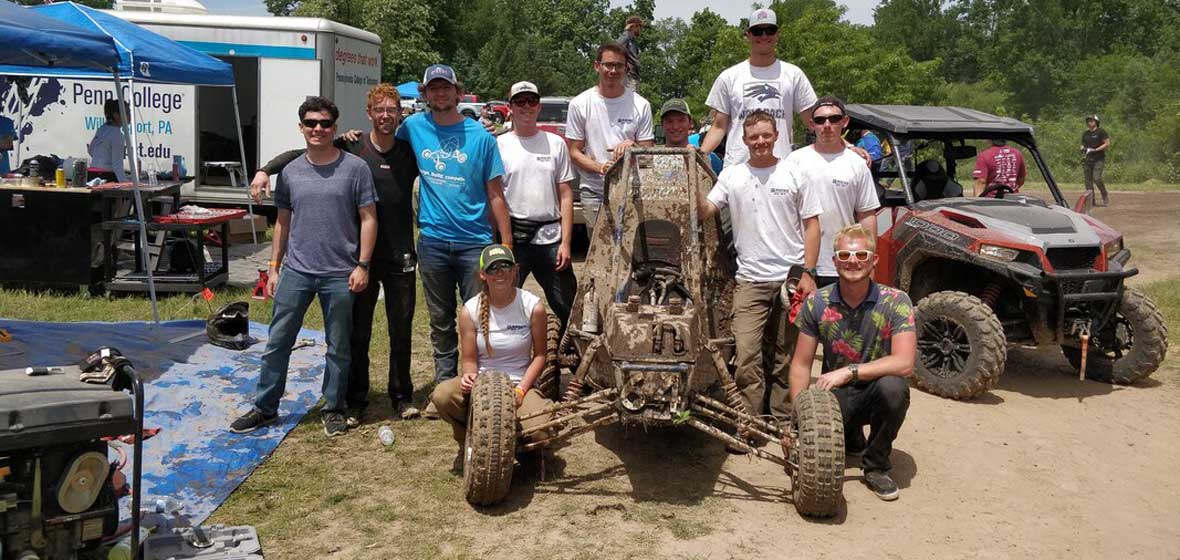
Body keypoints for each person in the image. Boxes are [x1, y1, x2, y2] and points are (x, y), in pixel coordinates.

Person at [249, 84, 421, 424]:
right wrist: (265, 169)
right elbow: (301, 154)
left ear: (400, 114)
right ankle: (354, 398)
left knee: (400, 330)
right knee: (356, 333)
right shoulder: (352, 145)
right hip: (358, 256)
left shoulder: (409, 151)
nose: (386, 115)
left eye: (392, 110)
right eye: (380, 109)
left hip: (398, 251)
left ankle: (401, 396)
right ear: (369, 113)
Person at [230, 96, 378, 437]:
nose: (318, 129)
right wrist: (274, 267)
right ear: (301, 128)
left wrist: (363, 265)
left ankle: (334, 408)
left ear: (334, 129)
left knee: (339, 346)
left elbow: (369, 218)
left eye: (324, 124)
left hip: (340, 273)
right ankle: (265, 408)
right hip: (296, 271)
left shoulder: (355, 169)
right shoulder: (292, 172)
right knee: (278, 341)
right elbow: (282, 223)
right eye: (311, 123)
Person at [697, 110, 822, 426]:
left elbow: (812, 226)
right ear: (744, 140)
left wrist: (808, 273)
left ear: (777, 136)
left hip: (790, 279)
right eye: (754, 137)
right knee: (747, 354)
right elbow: (707, 209)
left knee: (784, 355)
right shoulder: (733, 176)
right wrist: (689, 181)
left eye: (766, 135)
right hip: (750, 280)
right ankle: (749, 422)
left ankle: (781, 422)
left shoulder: (794, 174)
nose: (761, 142)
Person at [397, 64, 512, 390]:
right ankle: (447, 384)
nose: (440, 93)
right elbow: (384, 147)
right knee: (440, 319)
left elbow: (496, 195)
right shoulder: (413, 127)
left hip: (474, 242)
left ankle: (481, 383)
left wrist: (506, 245)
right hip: (432, 241)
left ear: (458, 92)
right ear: (425, 94)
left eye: (445, 87)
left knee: (479, 316)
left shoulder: (481, 138)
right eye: (433, 88)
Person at [788, 224, 915, 501]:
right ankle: (850, 435)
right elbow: (800, 365)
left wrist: (850, 371)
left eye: (861, 255)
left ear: (874, 260)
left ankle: (876, 466)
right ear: (834, 262)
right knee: (817, 447)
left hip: (874, 389)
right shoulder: (817, 302)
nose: (853, 262)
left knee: (894, 388)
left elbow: (905, 363)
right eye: (844, 256)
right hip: (835, 396)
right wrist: (799, 422)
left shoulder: (896, 301)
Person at [430, 244, 555, 468]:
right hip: (483, 384)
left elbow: (540, 356)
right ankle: (467, 442)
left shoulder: (532, 306)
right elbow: (469, 360)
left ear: (515, 270)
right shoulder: (470, 309)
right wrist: (469, 377)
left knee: (542, 431)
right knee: (442, 396)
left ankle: (519, 443)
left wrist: (521, 389)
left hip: (518, 384)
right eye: (493, 268)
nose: (500, 273)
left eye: (506, 267)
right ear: (483, 274)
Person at [497, 81, 578, 329]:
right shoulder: (498, 144)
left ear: (538, 107)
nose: (526, 107)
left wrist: (566, 243)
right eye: (520, 102)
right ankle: (509, 359)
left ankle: (573, 355)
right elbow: (494, 196)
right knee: (503, 305)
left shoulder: (555, 144)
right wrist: (500, 241)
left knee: (569, 306)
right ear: (510, 107)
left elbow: (566, 195)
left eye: (531, 101)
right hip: (513, 239)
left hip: (550, 239)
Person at [698, 8, 817, 170]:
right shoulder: (729, 77)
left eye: (770, 30)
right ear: (748, 35)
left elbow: (815, 122)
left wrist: (846, 146)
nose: (764, 36)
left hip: (781, 170)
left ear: (777, 35)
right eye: (757, 31)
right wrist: (698, 157)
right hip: (738, 169)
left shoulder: (794, 74)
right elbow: (719, 127)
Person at [789, 96, 879, 288]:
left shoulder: (857, 164)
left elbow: (867, 216)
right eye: (820, 120)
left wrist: (869, 264)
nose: (827, 125)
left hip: (845, 262)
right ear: (812, 125)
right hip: (799, 264)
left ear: (844, 122)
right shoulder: (794, 161)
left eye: (834, 119)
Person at [565, 42, 655, 228]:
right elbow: (574, 152)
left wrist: (633, 148)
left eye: (619, 65)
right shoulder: (580, 104)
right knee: (599, 250)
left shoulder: (641, 105)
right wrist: (603, 168)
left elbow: (648, 155)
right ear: (597, 66)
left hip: (631, 189)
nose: (613, 70)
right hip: (594, 191)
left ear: (626, 68)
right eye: (608, 65)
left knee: (632, 251)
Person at [661, 98, 722, 174]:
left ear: (690, 123)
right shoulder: (654, 160)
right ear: (662, 125)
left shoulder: (710, 159)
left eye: (681, 120)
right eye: (669, 121)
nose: (675, 126)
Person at [87, 99, 130, 182]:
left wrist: (101, 159)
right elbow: (117, 164)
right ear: (116, 115)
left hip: (91, 174)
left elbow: (91, 150)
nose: (130, 116)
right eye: (127, 113)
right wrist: (124, 182)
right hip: (106, 176)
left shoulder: (102, 129)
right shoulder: (117, 134)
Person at [1081, 115, 1111, 206]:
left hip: (1099, 158)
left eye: (1091, 120)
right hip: (1088, 159)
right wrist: (1082, 148)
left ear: (1096, 122)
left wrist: (1095, 149)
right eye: (1088, 121)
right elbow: (1083, 144)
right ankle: (1091, 201)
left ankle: (1104, 194)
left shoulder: (1101, 132)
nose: (1089, 122)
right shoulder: (1085, 134)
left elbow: (1107, 144)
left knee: (1097, 178)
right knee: (1088, 181)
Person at [616, 15, 645, 88]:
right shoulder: (626, 37)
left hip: (633, 76)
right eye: (639, 26)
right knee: (630, 98)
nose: (641, 29)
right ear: (633, 26)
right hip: (628, 77)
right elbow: (615, 49)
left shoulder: (632, 40)